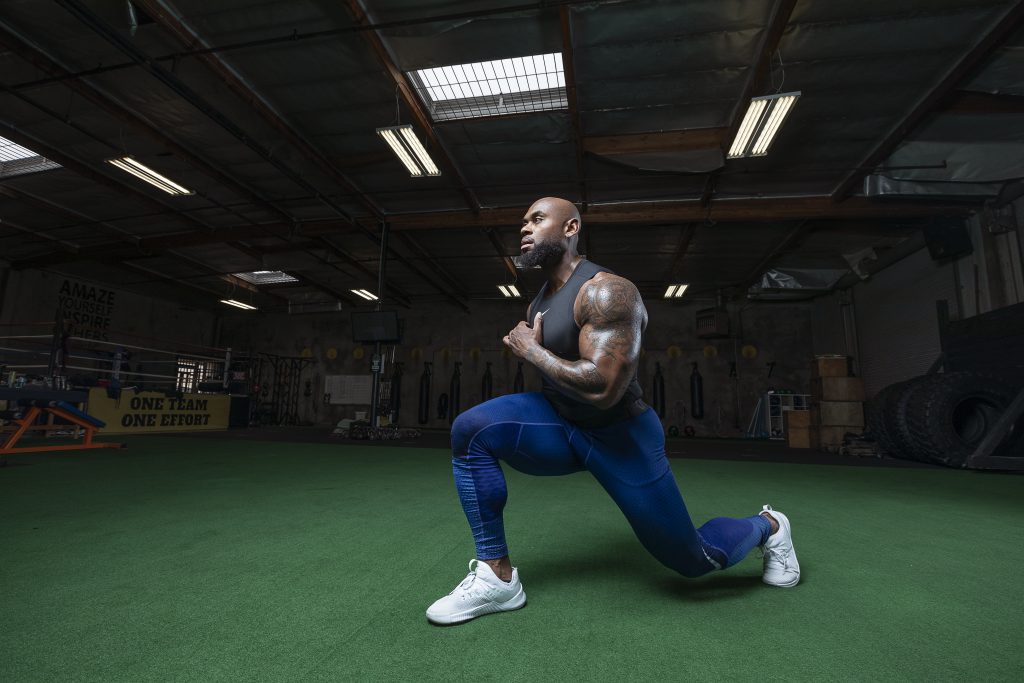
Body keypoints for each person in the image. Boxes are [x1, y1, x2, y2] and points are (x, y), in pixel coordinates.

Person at [426, 197, 799, 625]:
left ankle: (769, 525)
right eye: (522, 221)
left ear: (571, 228)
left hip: (620, 435)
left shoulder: (606, 291)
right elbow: (559, 372)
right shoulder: (540, 301)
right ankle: (497, 578)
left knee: (695, 560)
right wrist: (533, 348)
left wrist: (531, 351)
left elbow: (603, 388)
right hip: (562, 424)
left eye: (537, 219)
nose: (524, 229)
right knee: (471, 430)